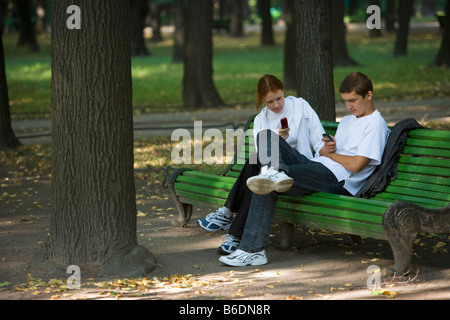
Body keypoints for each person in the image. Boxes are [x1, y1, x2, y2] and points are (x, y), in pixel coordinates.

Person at [219, 72, 391, 267]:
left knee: (266, 183)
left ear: (369, 95)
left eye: (353, 100)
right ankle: (272, 171)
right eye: (345, 101)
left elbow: (356, 165)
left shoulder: (376, 124)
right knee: (268, 137)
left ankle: (252, 250)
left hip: (337, 180)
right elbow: (333, 152)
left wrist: (330, 155)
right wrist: (331, 148)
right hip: (318, 167)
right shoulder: (348, 120)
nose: (349, 106)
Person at [197, 74, 326, 254]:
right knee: (259, 174)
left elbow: (319, 140)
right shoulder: (261, 119)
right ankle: (233, 234)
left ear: (284, 91)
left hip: (300, 167)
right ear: (262, 100)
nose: (276, 105)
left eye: (279, 98)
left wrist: (327, 155)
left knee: (262, 161)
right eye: (269, 101)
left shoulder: (300, 106)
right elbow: (261, 157)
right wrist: (276, 138)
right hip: (271, 171)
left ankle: (227, 213)